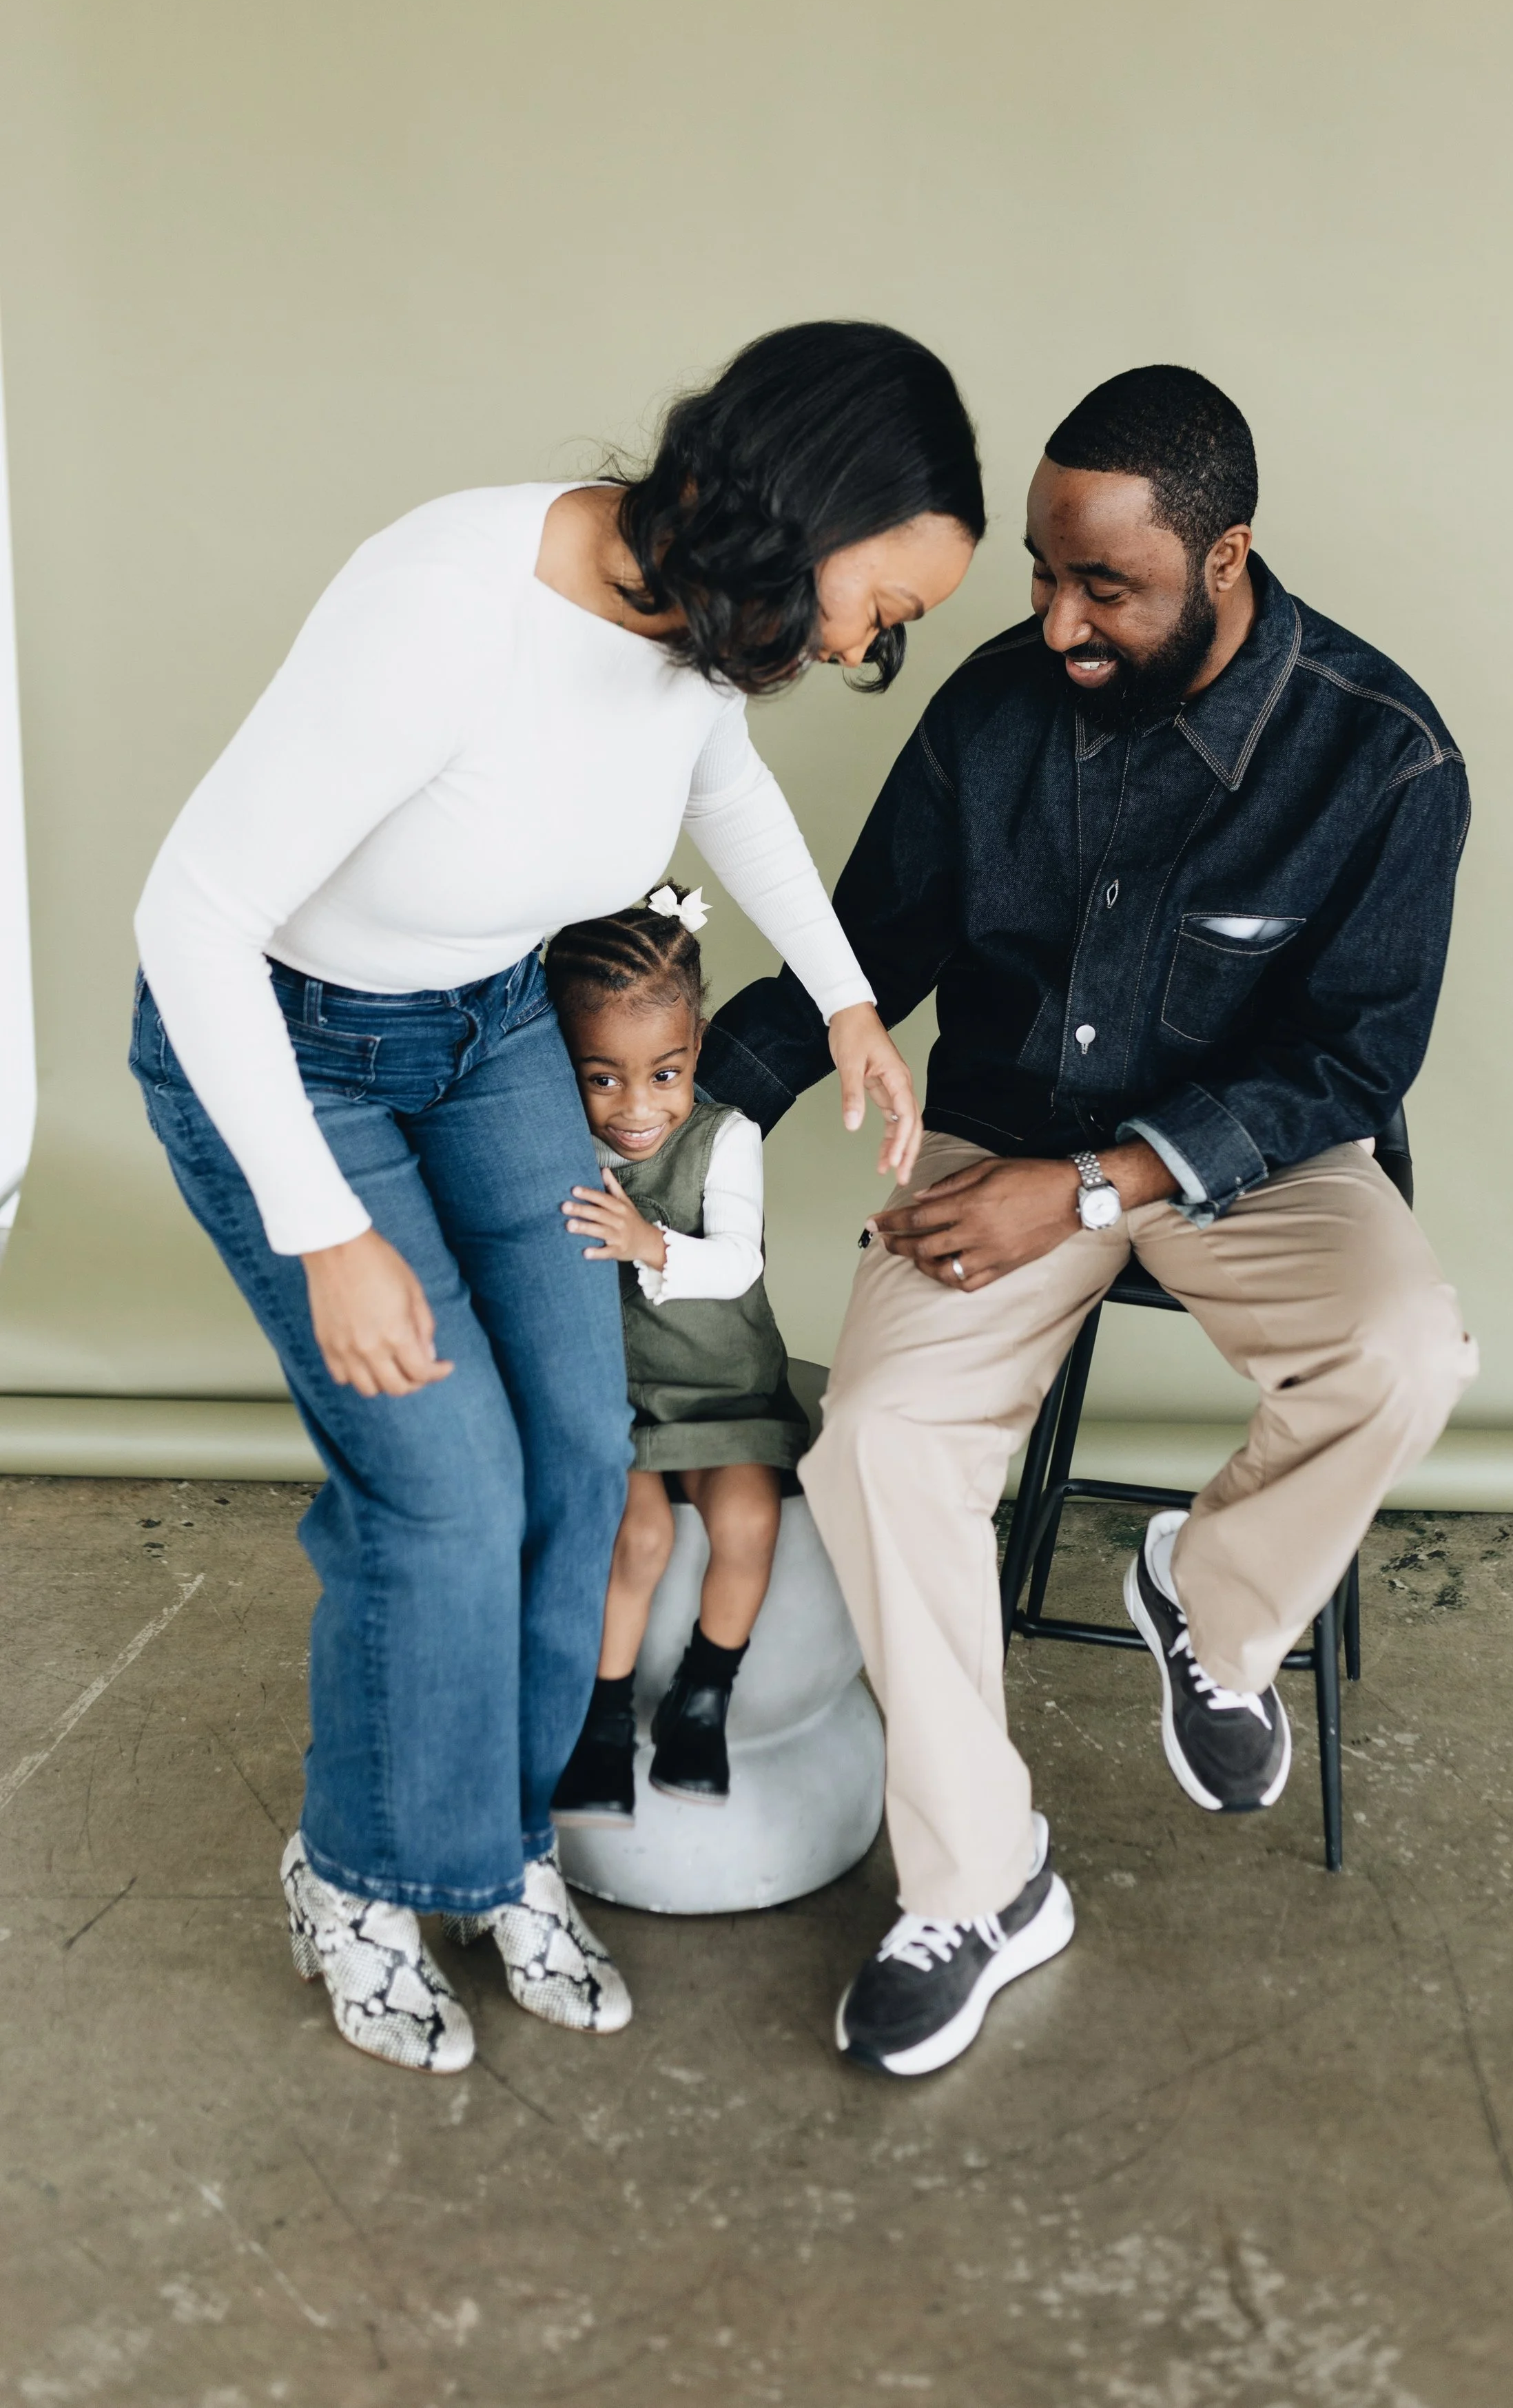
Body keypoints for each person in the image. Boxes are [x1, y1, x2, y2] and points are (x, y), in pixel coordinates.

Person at [130, 321, 982, 2074]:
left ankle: (497, 1843)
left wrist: (840, 998)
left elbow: (718, 785)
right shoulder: (450, 600)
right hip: (295, 1055)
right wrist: (326, 1228)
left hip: (493, 1027)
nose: (869, 643)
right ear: (807, 512)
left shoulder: (698, 632)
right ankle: (362, 1873)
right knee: (444, 1487)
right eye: (881, 601)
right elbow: (189, 919)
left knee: (585, 1455)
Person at [700, 364, 1479, 2077]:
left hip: (1248, 1157)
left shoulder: (1383, 753)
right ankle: (983, 1882)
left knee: (1404, 1349)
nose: (1053, 621)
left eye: (1100, 586)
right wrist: (688, 1103)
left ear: (1224, 560)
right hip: (998, 1146)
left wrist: (1111, 1177)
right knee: (878, 1438)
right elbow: (870, 942)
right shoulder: (993, 707)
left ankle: (1206, 1604)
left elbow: (1347, 1059)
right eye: (1041, 577)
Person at [541, 882, 805, 1822]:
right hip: (619, 1401)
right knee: (637, 1535)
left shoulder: (725, 1138)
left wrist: (647, 1239)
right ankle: (603, 1718)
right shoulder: (559, 1144)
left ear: (695, 1054)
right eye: (601, 1076)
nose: (635, 1106)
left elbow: (736, 1262)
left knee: (748, 1524)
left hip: (724, 1392)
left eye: (665, 1072)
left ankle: (705, 1694)